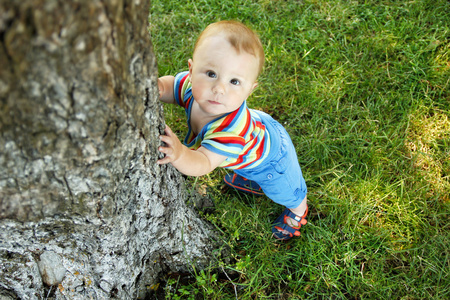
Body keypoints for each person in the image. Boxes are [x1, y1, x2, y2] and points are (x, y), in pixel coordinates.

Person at [157, 20, 308, 240]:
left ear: (249, 90)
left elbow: (205, 162)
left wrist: (180, 154)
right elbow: (172, 86)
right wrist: (159, 86)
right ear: (191, 70)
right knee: (243, 165)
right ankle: (249, 178)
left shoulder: (230, 130)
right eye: (210, 74)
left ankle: (298, 212)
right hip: (258, 129)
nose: (219, 89)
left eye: (234, 81)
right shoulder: (192, 88)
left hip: (272, 159)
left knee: (285, 191)